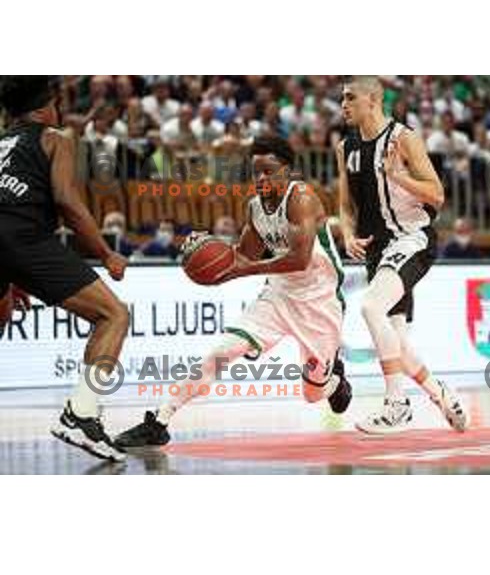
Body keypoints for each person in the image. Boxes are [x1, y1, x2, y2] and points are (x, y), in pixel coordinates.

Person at [115, 136, 351, 447]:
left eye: (268, 171)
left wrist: (241, 271)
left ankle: (333, 380)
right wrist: (206, 248)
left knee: (311, 395)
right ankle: (159, 421)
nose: (261, 178)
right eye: (256, 172)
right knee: (220, 353)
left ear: (288, 170)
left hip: (319, 302)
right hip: (278, 296)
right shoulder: (255, 207)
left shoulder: (302, 198)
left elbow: (299, 259)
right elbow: (245, 255)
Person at [0, 76, 129, 461]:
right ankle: (81, 414)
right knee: (113, 315)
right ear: (48, 106)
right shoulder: (55, 138)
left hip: (9, 245)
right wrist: (107, 253)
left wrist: (10, 273)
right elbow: (68, 202)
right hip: (22, 237)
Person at [338, 76, 467, 434]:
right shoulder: (344, 147)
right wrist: (348, 233)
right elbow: (346, 205)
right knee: (397, 341)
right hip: (377, 249)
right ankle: (440, 394)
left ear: (373, 100)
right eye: (342, 99)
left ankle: (397, 405)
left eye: (350, 98)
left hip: (412, 238)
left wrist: (399, 177)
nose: (343, 105)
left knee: (370, 307)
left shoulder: (403, 138)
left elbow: (437, 195)